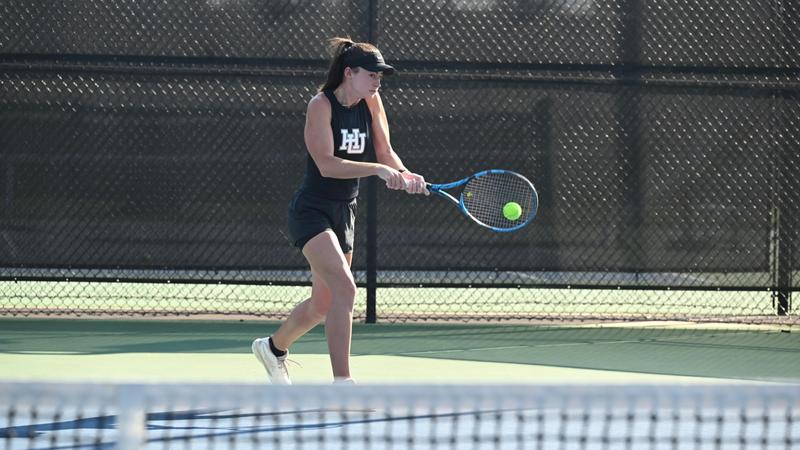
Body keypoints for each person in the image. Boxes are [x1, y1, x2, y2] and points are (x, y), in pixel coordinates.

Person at [252, 37, 428, 384]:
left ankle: (272, 349)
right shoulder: (321, 105)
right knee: (346, 289)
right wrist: (378, 170)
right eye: (372, 74)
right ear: (350, 73)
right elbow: (327, 165)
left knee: (322, 304)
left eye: (381, 75)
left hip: (344, 211)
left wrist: (405, 174)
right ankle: (342, 385)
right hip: (311, 212)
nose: (378, 81)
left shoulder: (372, 101)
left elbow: (385, 150)